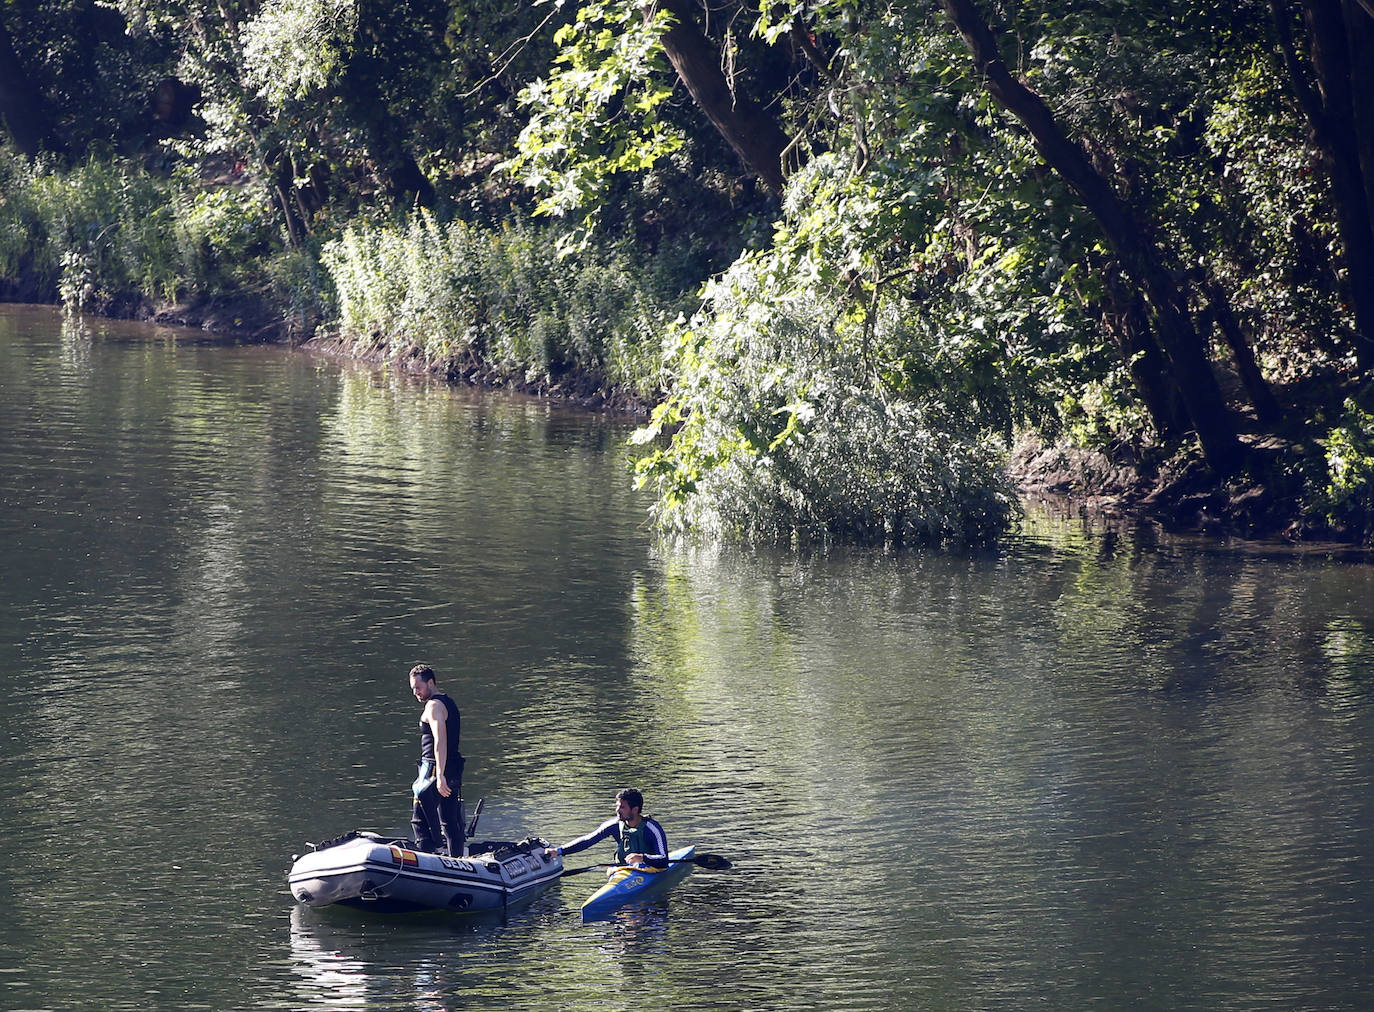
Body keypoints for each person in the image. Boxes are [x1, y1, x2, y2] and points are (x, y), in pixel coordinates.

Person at [408, 663, 466, 856]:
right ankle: (456, 862)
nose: (416, 692)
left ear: (430, 682)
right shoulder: (448, 702)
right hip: (452, 767)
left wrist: (439, 775)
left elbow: (440, 740)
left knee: (420, 821)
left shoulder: (433, 706)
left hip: (434, 769)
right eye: (413, 688)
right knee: (449, 821)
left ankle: (428, 861)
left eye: (418, 687)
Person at [544, 788, 669, 868]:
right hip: (623, 870)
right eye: (617, 806)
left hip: (651, 870)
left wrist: (642, 858)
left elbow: (663, 859)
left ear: (635, 809)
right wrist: (558, 851)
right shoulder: (614, 825)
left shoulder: (652, 828)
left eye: (622, 807)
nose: (617, 811)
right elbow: (588, 840)